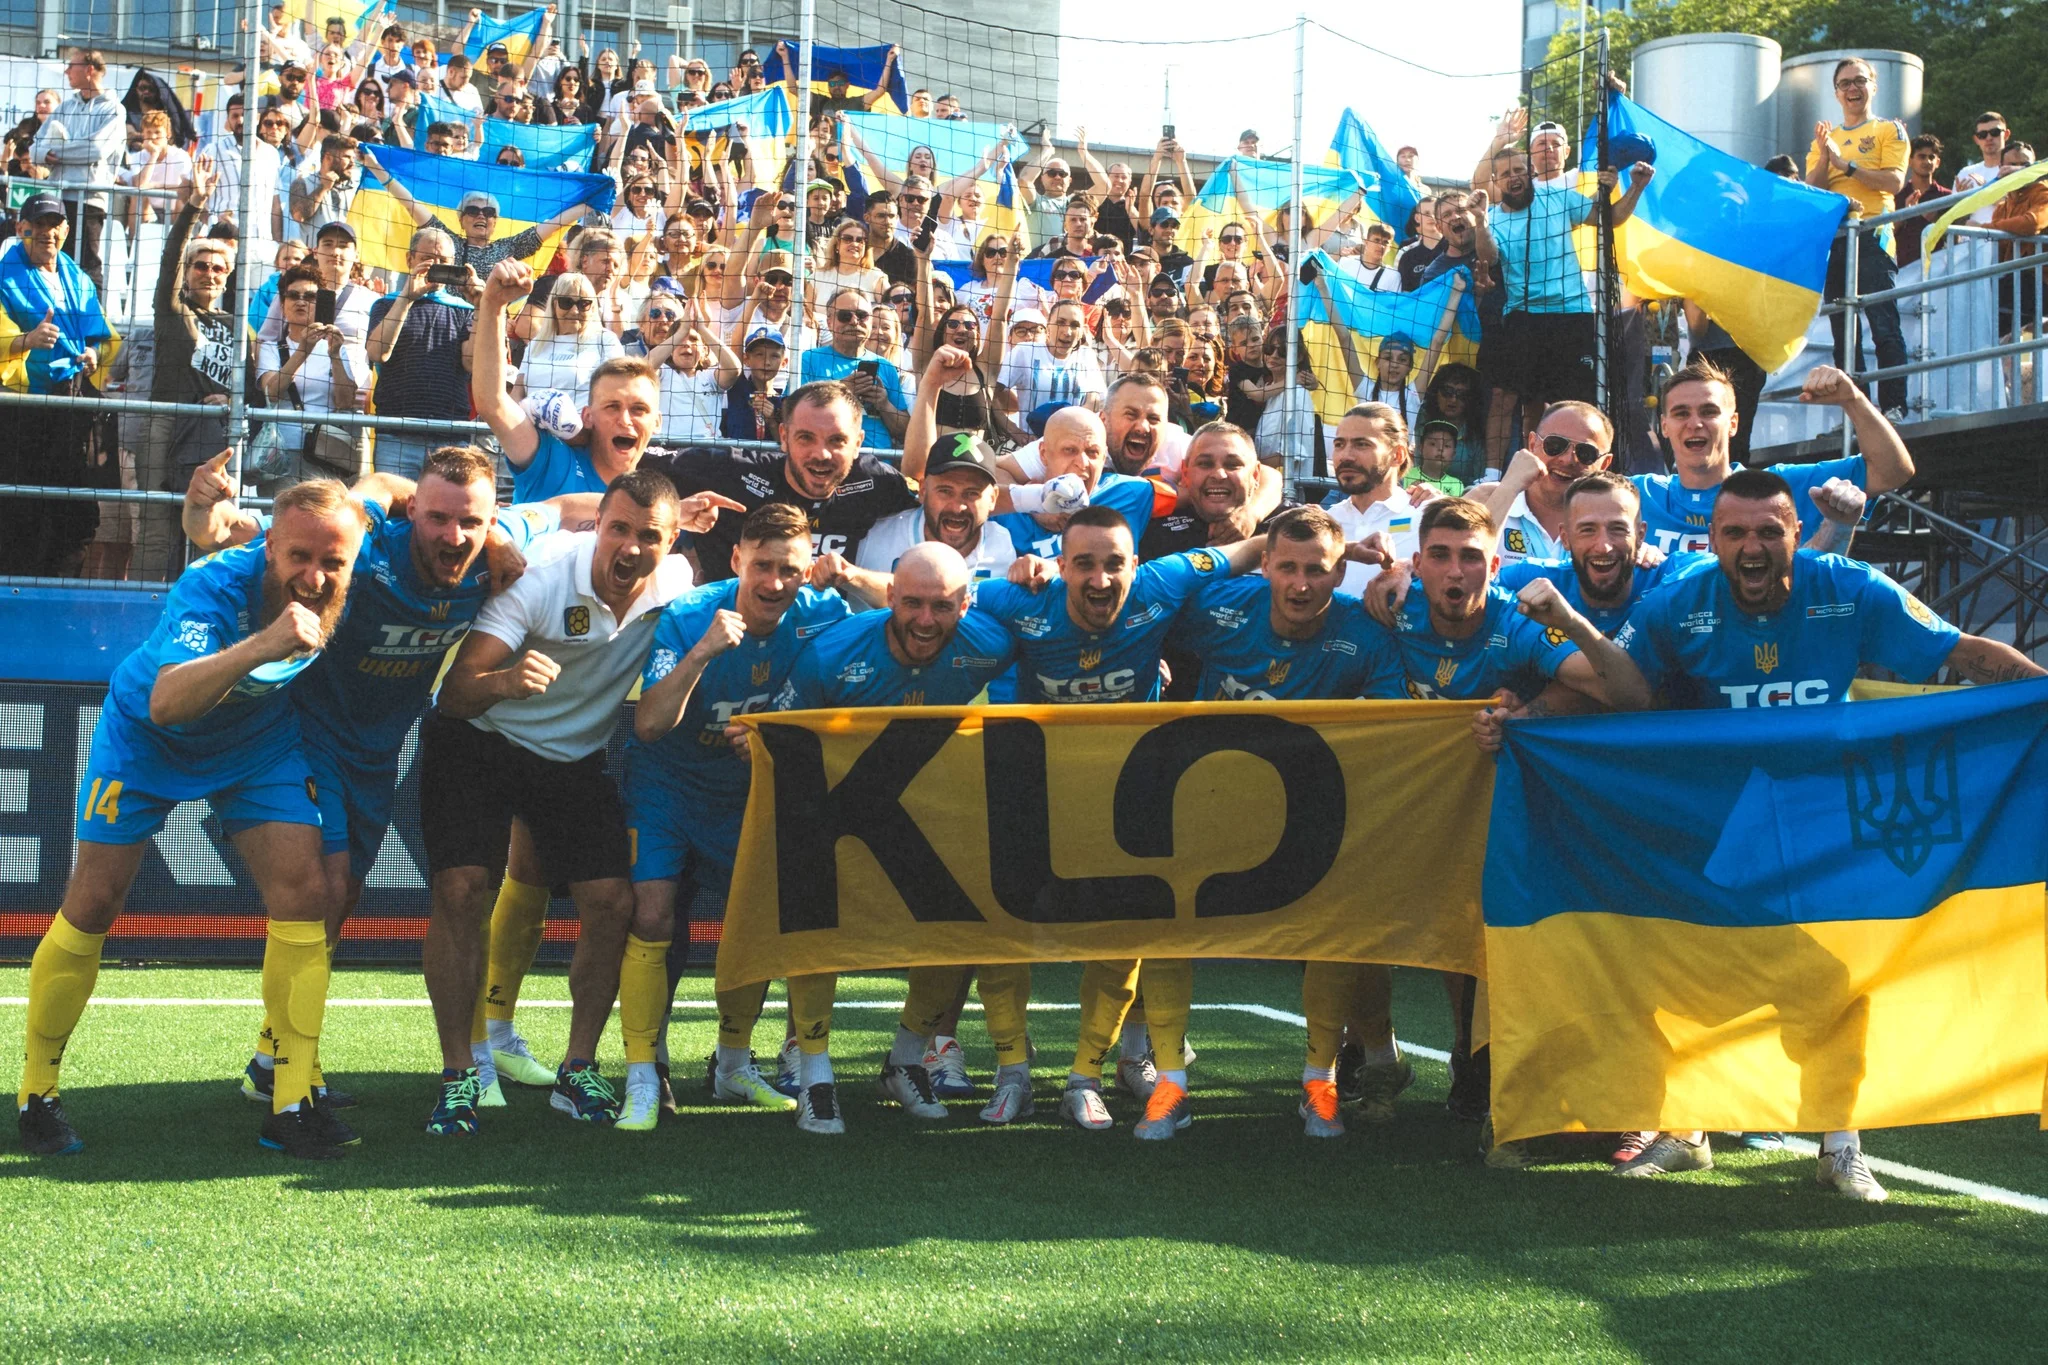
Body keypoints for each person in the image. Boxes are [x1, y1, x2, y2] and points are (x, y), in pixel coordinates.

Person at [1609, 467, 2045, 1197]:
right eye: (1735, 532)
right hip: (1720, 817)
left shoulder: (1850, 587)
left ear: (1796, 533)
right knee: (1696, 965)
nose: (1752, 547)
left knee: (1842, 975)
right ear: (1712, 538)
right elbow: (1612, 682)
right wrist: (1527, 719)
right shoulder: (1679, 602)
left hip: (1828, 819)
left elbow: (1963, 650)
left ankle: (1841, 1144)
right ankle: (1687, 1128)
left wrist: (2039, 690)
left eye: (1768, 531)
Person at [179, 446, 565, 1108]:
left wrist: (680, 507)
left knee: (342, 898)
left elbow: (565, 507)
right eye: (437, 518)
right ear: (413, 511)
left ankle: (272, 1055)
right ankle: (290, 1068)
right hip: (305, 735)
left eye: (471, 522)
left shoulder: (495, 545)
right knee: (322, 892)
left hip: (377, 755)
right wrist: (202, 517)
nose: (454, 536)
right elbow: (241, 535)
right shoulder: (361, 544)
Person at [17, 481, 370, 1159]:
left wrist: (499, 544)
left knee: (307, 893)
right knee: (93, 902)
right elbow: (168, 701)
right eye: (299, 557)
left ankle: (290, 1102)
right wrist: (262, 644)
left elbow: (392, 491)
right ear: (270, 545)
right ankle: (37, 1093)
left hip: (255, 742)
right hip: (148, 739)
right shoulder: (211, 584)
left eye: (334, 562)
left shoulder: (355, 551)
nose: (315, 577)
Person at [421, 469, 737, 1135]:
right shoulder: (538, 581)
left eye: (648, 535)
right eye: (617, 529)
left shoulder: (675, 587)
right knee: (462, 891)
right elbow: (456, 693)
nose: (629, 547)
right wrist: (507, 681)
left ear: (671, 542)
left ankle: (578, 1068)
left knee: (613, 903)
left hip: (571, 759)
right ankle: (459, 1073)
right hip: (479, 740)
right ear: (598, 527)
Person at [1374, 495, 1650, 1122]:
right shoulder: (1388, 611)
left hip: (1507, 803)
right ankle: (1384, 1054)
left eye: (1471, 557)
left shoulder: (1515, 621)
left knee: (1507, 927)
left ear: (1494, 565)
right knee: (1421, 922)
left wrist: (1531, 706)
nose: (1455, 571)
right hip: (1412, 802)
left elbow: (1621, 691)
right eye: (1439, 556)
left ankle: (1497, 1061)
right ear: (1418, 563)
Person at [764, 541, 1022, 1135]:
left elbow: (1053, 647)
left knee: (953, 922)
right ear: (888, 597)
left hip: (924, 811)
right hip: (835, 811)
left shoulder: (990, 643)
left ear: (964, 605)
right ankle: (815, 1074)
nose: (925, 621)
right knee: (815, 922)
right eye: (912, 604)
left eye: (942, 606)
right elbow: (782, 739)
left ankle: (905, 1062)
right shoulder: (831, 654)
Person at [1164, 504, 1407, 1137]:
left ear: (1340, 573)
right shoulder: (1221, 607)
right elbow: (1145, 601)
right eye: (1288, 567)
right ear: (1267, 565)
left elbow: (1397, 723)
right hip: (1209, 802)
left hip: (1311, 811)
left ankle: (1348, 1068)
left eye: (1317, 570)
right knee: (1162, 921)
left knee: (1342, 931)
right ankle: (1158, 1069)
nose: (1301, 585)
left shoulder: (1364, 632)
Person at [625, 502, 852, 1119]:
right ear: (736, 560)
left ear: (807, 571)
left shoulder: (823, 615)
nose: (775, 583)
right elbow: (648, 725)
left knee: (755, 920)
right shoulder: (689, 616)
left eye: (790, 570)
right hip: (668, 787)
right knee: (652, 915)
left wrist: (778, 738)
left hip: (748, 792)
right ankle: (645, 1070)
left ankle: (732, 1065)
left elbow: (871, 660)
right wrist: (701, 653)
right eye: (762, 566)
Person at [1472, 150, 1651, 468]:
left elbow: (1609, 218)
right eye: (1506, 174)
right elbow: (1489, 257)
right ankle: (1505, 473)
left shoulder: (1557, 196)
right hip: (1523, 315)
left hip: (1572, 314)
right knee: (1521, 400)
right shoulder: (1494, 217)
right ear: (1496, 181)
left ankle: (1584, 469)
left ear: (1530, 171)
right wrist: (1480, 222)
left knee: (1576, 404)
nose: (1514, 177)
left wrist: (1636, 186)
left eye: (1519, 170)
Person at [1641, 357, 1912, 556]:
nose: (1695, 423)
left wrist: (1853, 400)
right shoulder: (1640, 494)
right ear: (1664, 426)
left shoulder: (1779, 489)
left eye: (1709, 412)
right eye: (1681, 413)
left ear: (1733, 424)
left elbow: (1891, 472)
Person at [648, 379, 917, 577]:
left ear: (858, 443)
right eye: (806, 438)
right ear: (784, 437)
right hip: (731, 626)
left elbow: (932, 508)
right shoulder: (729, 471)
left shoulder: (875, 482)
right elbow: (632, 463)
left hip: (824, 630)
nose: (821, 454)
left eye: (837, 440)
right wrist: (672, 513)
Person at [139, 165, 241, 579]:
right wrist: (195, 205)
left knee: (208, 530)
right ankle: (143, 604)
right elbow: (169, 261)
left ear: (227, 278)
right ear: (189, 271)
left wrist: (231, 398)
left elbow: (252, 385)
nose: (209, 273)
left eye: (218, 268)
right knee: (157, 527)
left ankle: (199, 604)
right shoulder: (173, 309)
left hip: (213, 432)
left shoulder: (239, 326)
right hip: (166, 422)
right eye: (200, 266)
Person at [1805, 56, 1910, 414]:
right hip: (1836, 242)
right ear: (1836, 93)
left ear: (1873, 86)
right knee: (1843, 333)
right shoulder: (1825, 138)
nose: (1853, 88)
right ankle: (1856, 414)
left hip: (1872, 235)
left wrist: (1846, 166)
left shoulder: (1889, 130)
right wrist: (1825, 157)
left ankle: (1894, 407)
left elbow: (1894, 181)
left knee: (1883, 323)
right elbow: (1813, 189)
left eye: (1860, 81)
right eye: (1845, 83)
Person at [365, 227, 475, 479]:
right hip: (396, 433)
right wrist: (407, 297)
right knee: (396, 504)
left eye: (443, 261)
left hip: (450, 435)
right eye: (427, 259)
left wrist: (481, 307)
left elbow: (470, 363)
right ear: (409, 259)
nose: (435, 266)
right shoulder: (385, 304)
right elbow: (377, 352)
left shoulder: (465, 310)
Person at [256, 262, 368, 485]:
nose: (301, 302)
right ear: (282, 305)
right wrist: (302, 351)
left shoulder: (336, 347)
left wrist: (335, 356)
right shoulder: (271, 348)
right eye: (293, 295)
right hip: (281, 455)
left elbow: (346, 401)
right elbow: (271, 393)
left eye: (310, 296)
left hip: (325, 454)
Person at [32, 49, 127, 292]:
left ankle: (93, 315)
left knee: (87, 266)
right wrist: (45, 153)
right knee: (53, 263)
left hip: (89, 199)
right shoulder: (65, 107)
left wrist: (56, 153)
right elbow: (34, 148)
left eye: (71, 66)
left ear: (89, 69)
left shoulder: (114, 109)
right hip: (58, 197)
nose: (66, 71)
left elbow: (96, 150)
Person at [797, 287, 910, 449]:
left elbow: (905, 431)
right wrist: (840, 391)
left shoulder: (886, 366)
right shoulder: (808, 359)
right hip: (827, 455)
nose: (854, 321)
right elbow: (792, 415)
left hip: (877, 459)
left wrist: (884, 404)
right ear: (829, 322)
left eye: (862, 315)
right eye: (845, 316)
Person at [519, 271, 625, 406]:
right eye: (566, 302)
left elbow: (617, 390)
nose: (575, 311)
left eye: (583, 304)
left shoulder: (606, 341)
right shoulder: (536, 344)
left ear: (592, 308)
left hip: (582, 419)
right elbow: (517, 392)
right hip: (529, 419)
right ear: (554, 305)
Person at [647, 299, 741, 445]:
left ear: (705, 350)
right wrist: (681, 331)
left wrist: (702, 329)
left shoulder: (710, 377)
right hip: (667, 449)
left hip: (705, 449)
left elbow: (734, 369)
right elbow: (643, 368)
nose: (686, 344)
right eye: (680, 340)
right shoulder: (663, 374)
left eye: (693, 339)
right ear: (670, 349)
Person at [1893, 133, 1949, 271]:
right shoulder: (1896, 195)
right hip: (1903, 272)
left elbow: (1956, 239)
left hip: (1937, 272)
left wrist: (1934, 223)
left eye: (1931, 157)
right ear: (1910, 161)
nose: (1927, 161)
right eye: (1921, 156)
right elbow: (1886, 234)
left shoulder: (1946, 197)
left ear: (1938, 163)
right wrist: (1905, 214)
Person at [1951, 111, 2009, 227]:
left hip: (2003, 237)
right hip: (1971, 238)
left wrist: (1986, 189)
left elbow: (2018, 209)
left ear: (2006, 134)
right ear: (1976, 139)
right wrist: (1962, 201)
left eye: (1995, 132)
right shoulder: (1965, 173)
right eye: (1982, 135)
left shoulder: (2015, 171)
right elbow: (1955, 219)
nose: (1989, 138)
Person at [1405, 419, 1466, 498]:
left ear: (1453, 454)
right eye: (1433, 444)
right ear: (1421, 448)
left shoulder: (1457, 485)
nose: (1440, 449)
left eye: (1447, 446)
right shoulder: (1406, 475)